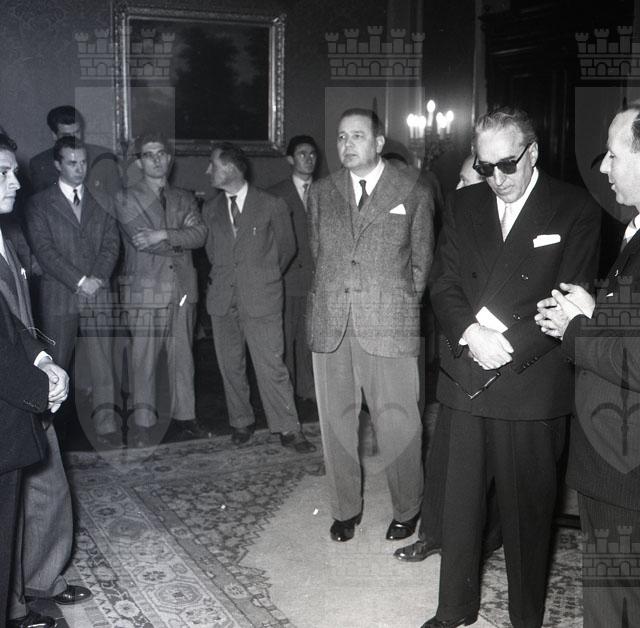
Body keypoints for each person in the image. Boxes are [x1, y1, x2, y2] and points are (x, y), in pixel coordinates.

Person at [423, 106, 601, 628]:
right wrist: (471, 334)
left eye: (507, 165)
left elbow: (568, 303)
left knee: (527, 517)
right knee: (460, 510)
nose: (497, 179)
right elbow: (443, 283)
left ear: (533, 153)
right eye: (485, 167)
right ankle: (453, 609)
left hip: (530, 382)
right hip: (466, 374)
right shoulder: (463, 203)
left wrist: (503, 347)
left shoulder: (574, 207)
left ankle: (526, 617)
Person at [307, 108, 434, 542]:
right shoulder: (322, 192)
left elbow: (421, 264)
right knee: (336, 425)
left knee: (399, 422)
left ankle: (408, 507)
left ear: (379, 143)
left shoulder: (413, 189)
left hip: (389, 322)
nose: (347, 145)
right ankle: (344, 509)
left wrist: (395, 307)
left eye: (358, 136)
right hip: (331, 323)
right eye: (342, 137)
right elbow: (319, 252)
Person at [536, 104, 640, 627]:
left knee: (616, 599)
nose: (603, 167)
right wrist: (598, 311)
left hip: (626, 461)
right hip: (617, 452)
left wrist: (575, 330)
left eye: (614, 156)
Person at [394, 153, 500, 564]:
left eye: (466, 180)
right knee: (446, 453)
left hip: (503, 356)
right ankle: (433, 534)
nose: (457, 188)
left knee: (495, 458)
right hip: (460, 350)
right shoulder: (457, 221)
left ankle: (486, 538)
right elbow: (441, 281)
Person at [0, 134, 79, 628]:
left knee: (48, 486)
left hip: (28, 378)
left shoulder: (7, 236)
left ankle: (41, 581)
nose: (16, 181)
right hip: (14, 392)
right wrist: (38, 380)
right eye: (3, 173)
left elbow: (15, 322)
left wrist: (45, 360)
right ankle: (14, 605)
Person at [202, 142, 315, 453]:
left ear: (231, 168)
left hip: (262, 298)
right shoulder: (210, 209)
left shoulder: (271, 204)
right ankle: (241, 421)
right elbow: (213, 253)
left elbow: (287, 249)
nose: (208, 171)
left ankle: (288, 428)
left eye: (213, 165)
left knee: (271, 366)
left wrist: (262, 278)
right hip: (223, 299)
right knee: (230, 366)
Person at [25, 136, 120, 447]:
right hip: (59, 296)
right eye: (72, 163)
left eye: (83, 162)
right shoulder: (39, 203)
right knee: (56, 365)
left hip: (99, 294)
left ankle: (107, 428)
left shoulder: (102, 199)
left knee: (104, 363)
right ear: (57, 164)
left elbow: (112, 244)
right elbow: (45, 251)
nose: (80, 169)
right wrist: (80, 280)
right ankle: (51, 434)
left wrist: (97, 278)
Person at [117, 131, 207, 446]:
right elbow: (141, 241)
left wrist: (162, 234)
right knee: (143, 360)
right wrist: (179, 236)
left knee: (183, 358)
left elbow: (201, 235)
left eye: (161, 154)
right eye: (148, 155)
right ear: (139, 163)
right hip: (145, 290)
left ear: (169, 158)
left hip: (182, 289)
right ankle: (143, 424)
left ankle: (186, 418)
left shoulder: (184, 197)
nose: (156, 160)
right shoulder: (126, 197)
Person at [268, 135, 318, 403]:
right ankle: (284, 398)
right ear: (290, 159)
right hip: (286, 279)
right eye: (302, 154)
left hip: (316, 280)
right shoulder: (275, 194)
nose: (308, 159)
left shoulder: (326, 191)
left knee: (311, 341)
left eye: (312, 154)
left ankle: (308, 391)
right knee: (285, 340)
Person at [29, 105, 120, 196]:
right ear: (54, 135)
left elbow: (117, 198)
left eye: (77, 132)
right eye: (67, 135)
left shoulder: (103, 157)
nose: (74, 138)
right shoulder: (40, 164)